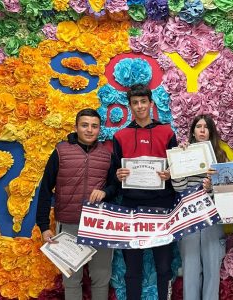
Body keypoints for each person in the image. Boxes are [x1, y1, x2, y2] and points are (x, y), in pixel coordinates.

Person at [36, 108, 116, 300]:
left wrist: (105, 191)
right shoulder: (60, 152)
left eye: (94, 126)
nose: (89, 130)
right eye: (85, 125)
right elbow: (45, 189)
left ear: (99, 130)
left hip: (99, 225)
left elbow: (116, 187)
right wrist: (44, 226)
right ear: (76, 127)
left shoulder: (107, 156)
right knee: (71, 279)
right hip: (68, 225)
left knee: (101, 277)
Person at [114, 84, 177, 300]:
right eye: (135, 103)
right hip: (131, 207)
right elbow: (114, 174)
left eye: (143, 102)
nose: (140, 106)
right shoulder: (120, 136)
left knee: (163, 267)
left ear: (151, 104)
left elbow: (177, 171)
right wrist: (118, 175)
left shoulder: (167, 132)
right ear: (130, 106)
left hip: (162, 207)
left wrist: (170, 174)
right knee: (132, 269)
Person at [171, 114, 227, 300]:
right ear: (193, 131)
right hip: (189, 220)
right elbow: (178, 188)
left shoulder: (220, 156)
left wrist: (213, 187)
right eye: (198, 126)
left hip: (213, 220)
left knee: (212, 272)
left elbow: (228, 191)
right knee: (191, 271)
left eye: (206, 127)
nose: (202, 130)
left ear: (211, 131)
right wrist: (180, 159)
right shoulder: (182, 152)